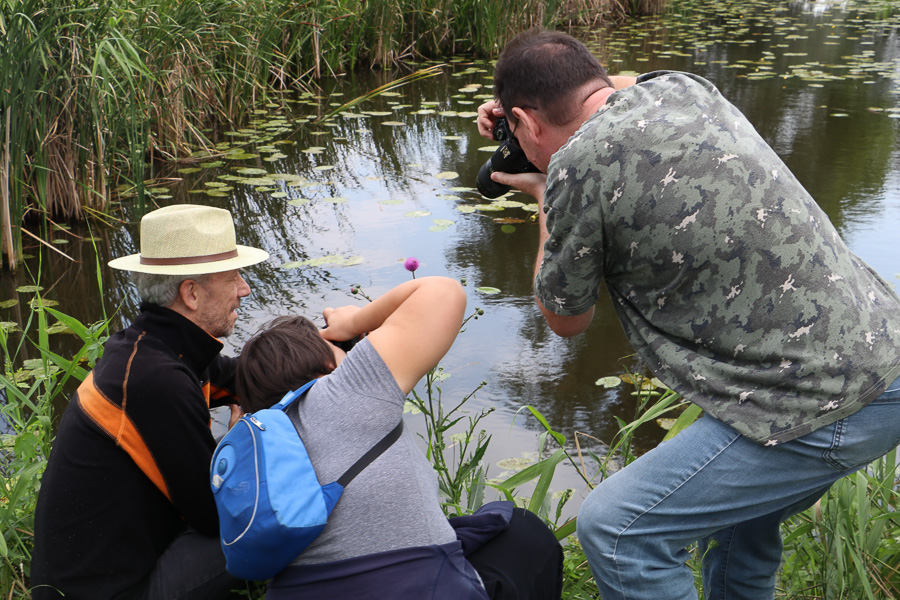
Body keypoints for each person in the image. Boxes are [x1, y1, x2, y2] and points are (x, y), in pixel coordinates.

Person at [476, 28, 900, 600]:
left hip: (820, 397)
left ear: (525, 123)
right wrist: (525, 116)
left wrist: (544, 192)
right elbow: (610, 89)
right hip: (882, 351)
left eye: (521, 132)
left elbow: (564, 319)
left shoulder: (574, 168)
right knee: (738, 526)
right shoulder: (682, 87)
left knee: (618, 531)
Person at [234, 277, 564, 599]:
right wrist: (352, 322)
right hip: (411, 588)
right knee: (523, 533)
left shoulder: (252, 446)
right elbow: (443, 292)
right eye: (339, 349)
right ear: (325, 364)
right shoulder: (341, 391)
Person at [31, 204, 269, 600]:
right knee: (266, 518)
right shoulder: (156, 379)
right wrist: (240, 439)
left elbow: (242, 375)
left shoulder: (159, 349)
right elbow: (216, 517)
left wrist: (322, 348)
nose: (244, 288)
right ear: (190, 293)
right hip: (113, 592)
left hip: (116, 568)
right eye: (233, 277)